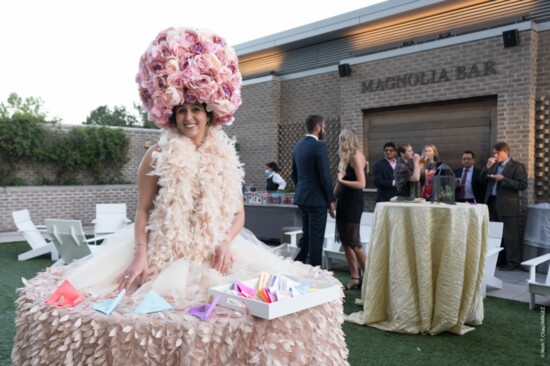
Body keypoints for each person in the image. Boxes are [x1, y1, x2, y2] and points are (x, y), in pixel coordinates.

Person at [12, 27, 349, 365]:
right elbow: (143, 211)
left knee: (242, 321)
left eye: (195, 110)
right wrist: (141, 254)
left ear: (210, 112)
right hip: (164, 254)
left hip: (214, 253)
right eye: (181, 111)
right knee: (153, 325)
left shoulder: (226, 156)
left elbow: (238, 215)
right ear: (170, 113)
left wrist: (227, 241)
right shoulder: (157, 154)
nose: (188, 118)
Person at [292, 114, 335, 267]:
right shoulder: (319, 146)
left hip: (303, 198)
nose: (324, 129)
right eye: (324, 127)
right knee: (316, 238)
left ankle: (297, 264)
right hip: (317, 200)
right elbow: (325, 175)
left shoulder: (297, 146)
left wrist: (302, 190)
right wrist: (330, 200)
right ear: (318, 128)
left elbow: (294, 174)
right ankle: (316, 272)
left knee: (308, 235)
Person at [479, 142, 527, 271]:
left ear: (506, 152)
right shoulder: (493, 165)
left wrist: (503, 179)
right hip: (492, 203)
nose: (494, 155)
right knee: (495, 234)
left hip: (508, 205)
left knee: (510, 235)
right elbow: (481, 180)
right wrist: (487, 167)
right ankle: (498, 260)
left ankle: (512, 262)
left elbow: (522, 185)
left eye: (497, 153)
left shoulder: (517, 166)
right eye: (493, 152)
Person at [334, 129, 367, 290]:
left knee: (354, 242)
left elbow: (362, 184)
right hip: (344, 202)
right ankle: (355, 277)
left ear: (349, 140)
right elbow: (340, 182)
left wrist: (341, 180)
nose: (339, 141)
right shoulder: (345, 158)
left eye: (342, 139)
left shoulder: (356, 157)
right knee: (346, 242)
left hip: (353, 203)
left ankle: (370, 277)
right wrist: (332, 200)